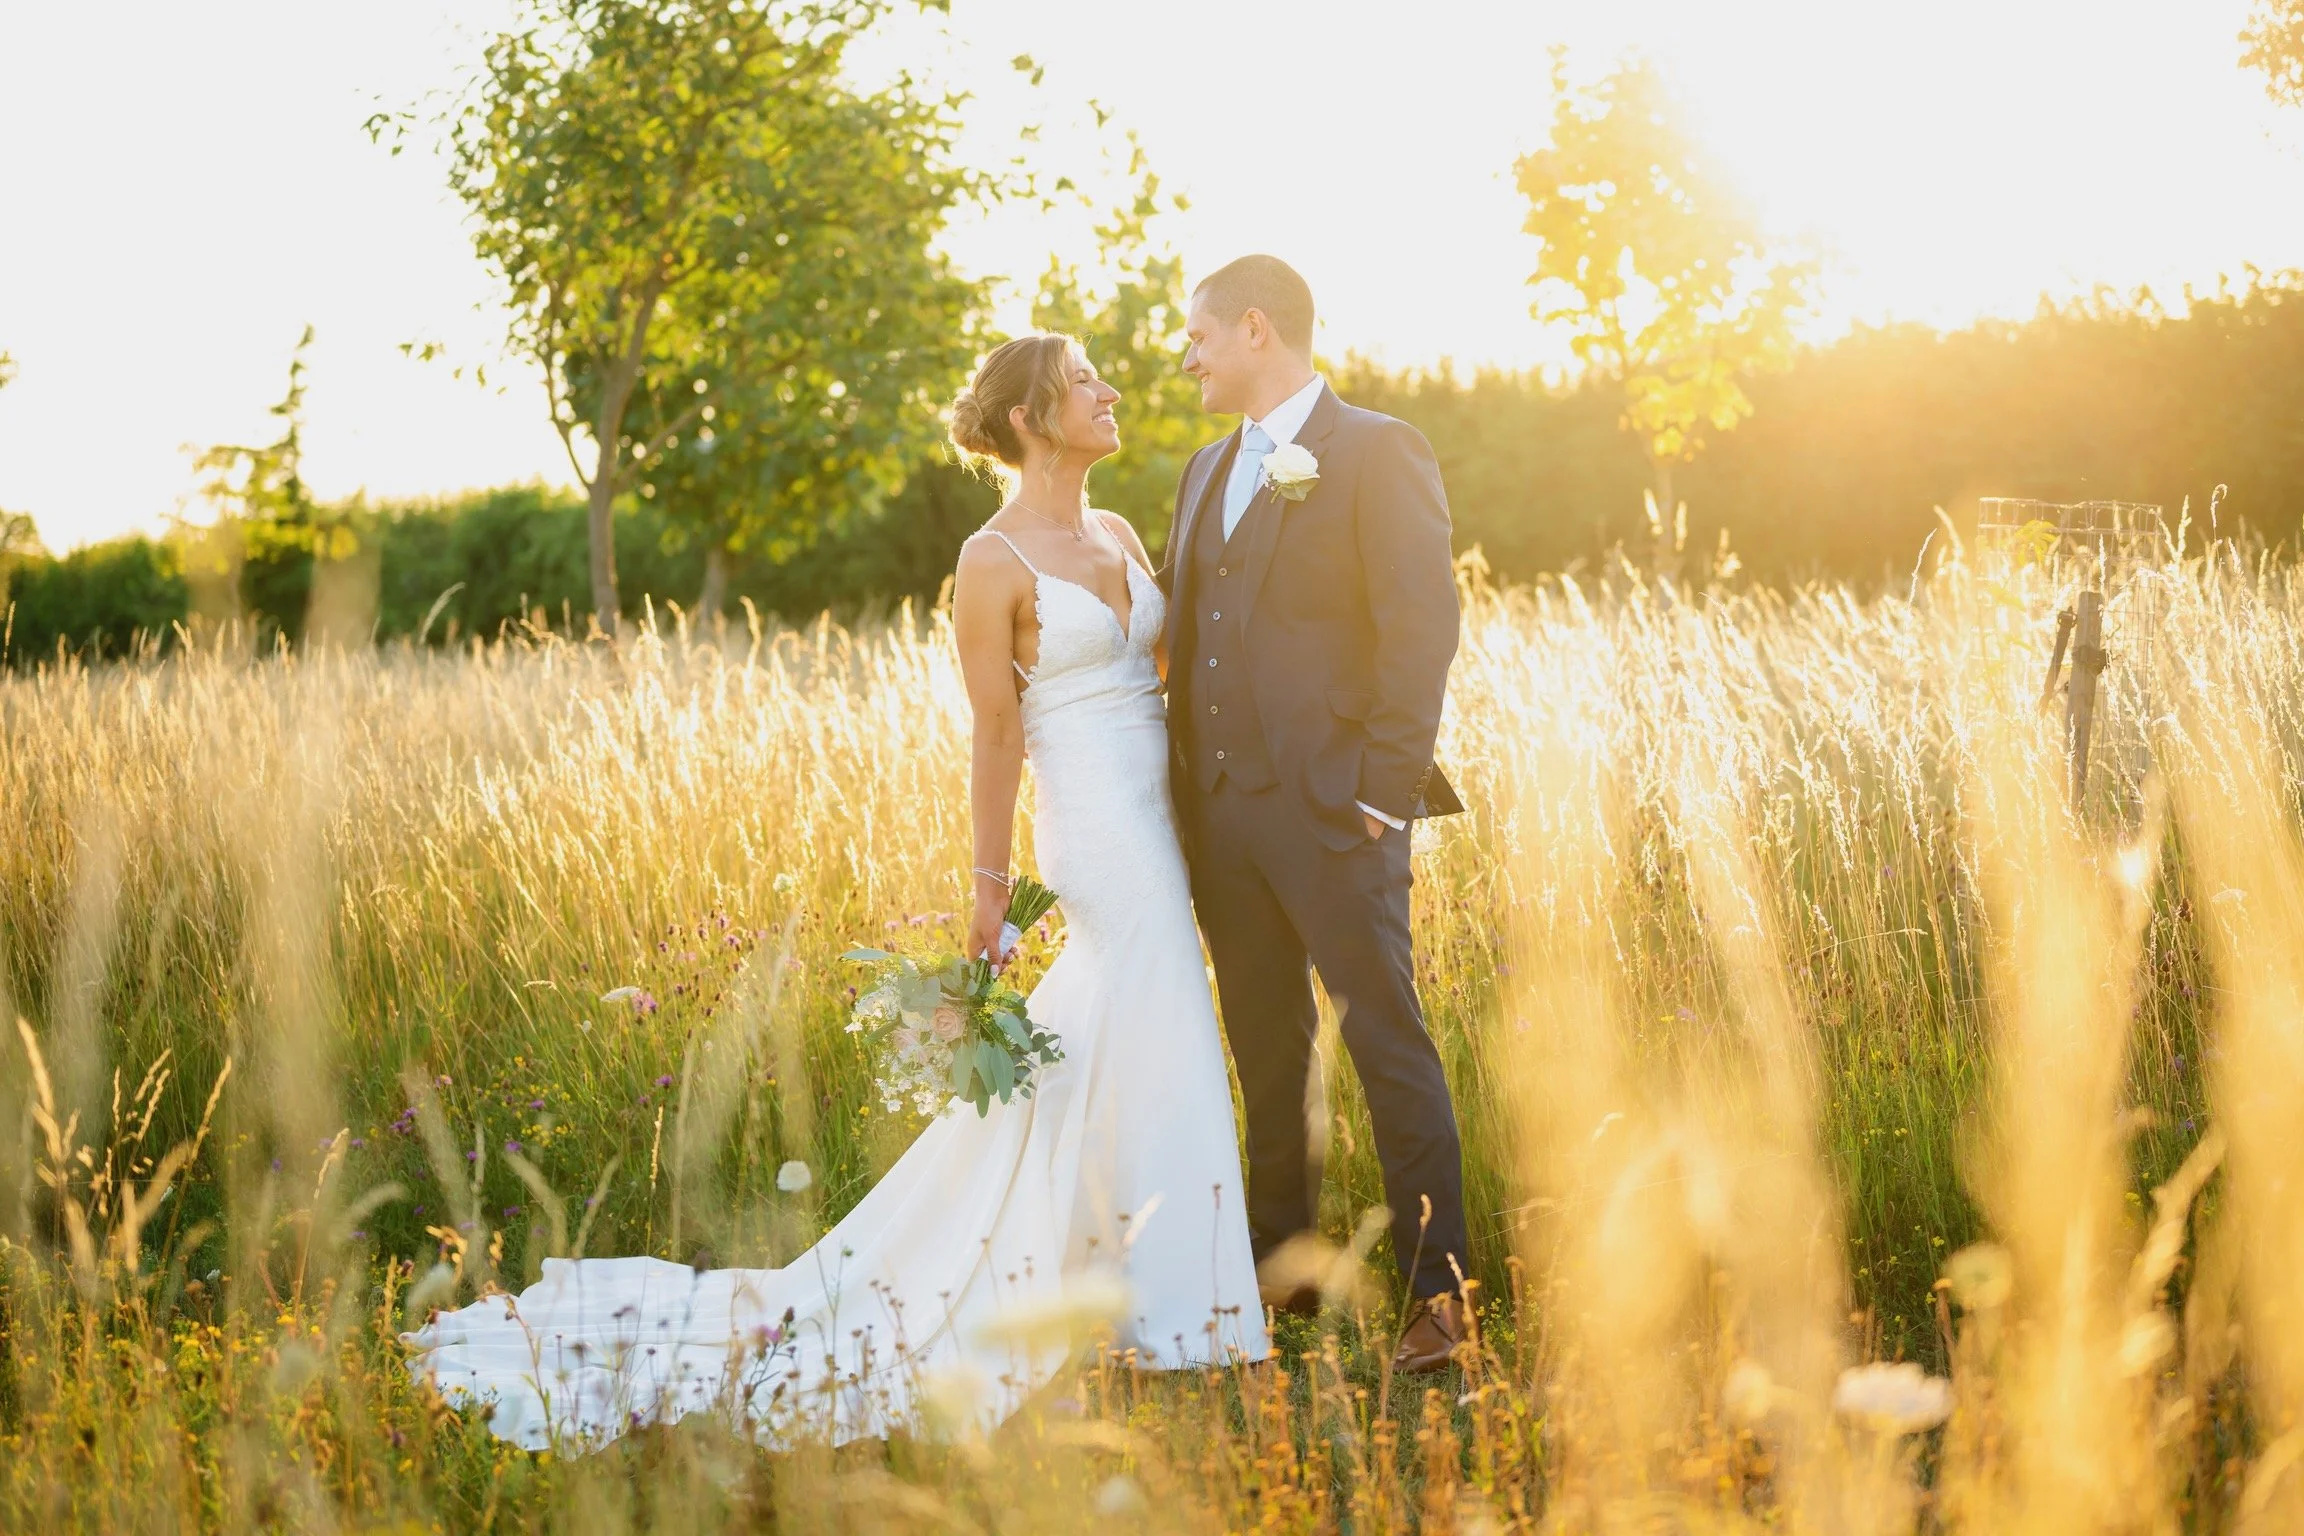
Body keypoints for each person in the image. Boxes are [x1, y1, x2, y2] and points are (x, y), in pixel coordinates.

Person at [402, 333, 1268, 1451]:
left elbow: (1165, 675)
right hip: (1097, 830)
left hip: (1162, 807)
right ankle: (1188, 1317)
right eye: (1085, 380)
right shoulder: (992, 557)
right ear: (1027, 419)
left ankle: (1131, 1286)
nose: (1111, 391)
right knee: (1163, 1013)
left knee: (1131, 1030)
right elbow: (996, 732)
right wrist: (988, 889)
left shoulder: (1117, 531)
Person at [1164, 255, 1471, 1374]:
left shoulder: (1379, 449)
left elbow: (1420, 629)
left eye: (1196, 334)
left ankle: (1445, 1299)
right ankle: (1281, 1272)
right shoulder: (1202, 471)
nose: (1185, 354)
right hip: (1224, 823)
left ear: (1255, 329)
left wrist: (1385, 798)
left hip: (1344, 814)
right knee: (1264, 1048)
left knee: (1386, 1040)